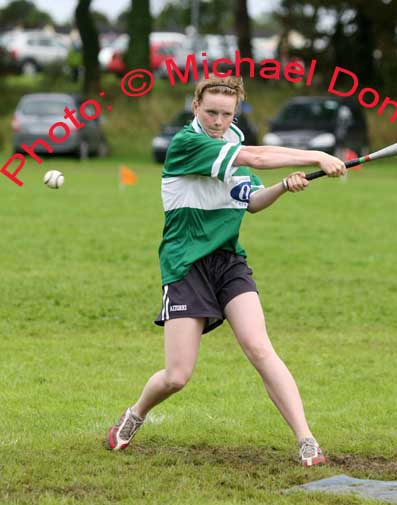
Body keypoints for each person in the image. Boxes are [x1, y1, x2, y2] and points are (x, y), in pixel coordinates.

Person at [106, 76, 346, 466]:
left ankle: (306, 440)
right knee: (177, 375)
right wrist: (316, 156)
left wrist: (283, 186)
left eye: (226, 114)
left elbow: (249, 201)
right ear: (196, 106)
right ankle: (133, 416)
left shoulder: (231, 137)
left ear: (236, 112)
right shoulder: (186, 143)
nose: (218, 121)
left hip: (228, 260)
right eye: (211, 112)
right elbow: (254, 157)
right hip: (186, 264)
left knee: (259, 347)